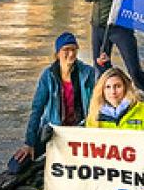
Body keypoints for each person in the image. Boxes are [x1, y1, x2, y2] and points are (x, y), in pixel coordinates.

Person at [15, 31, 99, 166]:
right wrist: (29, 142)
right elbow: (37, 109)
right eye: (66, 50)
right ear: (57, 54)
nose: (71, 54)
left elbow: (100, 100)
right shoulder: (48, 76)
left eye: (73, 49)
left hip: (80, 129)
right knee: (18, 165)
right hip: (54, 129)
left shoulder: (88, 73)